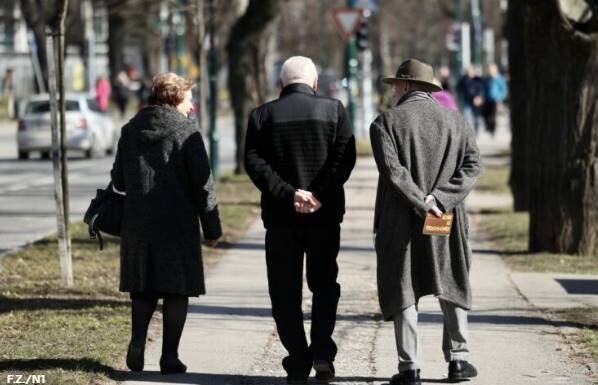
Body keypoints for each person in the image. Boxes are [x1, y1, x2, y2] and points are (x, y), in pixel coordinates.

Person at [245, 56, 356, 384]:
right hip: (324, 216)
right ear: (315, 83)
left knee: (284, 289)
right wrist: (318, 193)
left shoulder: (262, 116)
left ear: (281, 84)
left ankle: (297, 357)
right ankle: (322, 350)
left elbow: (254, 162)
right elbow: (344, 159)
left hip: (280, 217)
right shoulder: (334, 110)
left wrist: (288, 193)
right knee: (324, 285)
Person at [370, 58, 481, 385]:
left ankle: (410, 367)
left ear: (405, 86)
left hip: (399, 220)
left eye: (394, 85)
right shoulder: (456, 121)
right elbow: (472, 167)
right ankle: (459, 360)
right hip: (445, 217)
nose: (392, 91)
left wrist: (421, 202)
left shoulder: (385, 123)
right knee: (450, 279)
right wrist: (440, 200)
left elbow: (394, 173)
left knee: (404, 286)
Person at [110, 72, 222, 374]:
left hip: (138, 223)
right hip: (177, 225)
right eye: (189, 98)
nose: (192, 105)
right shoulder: (187, 132)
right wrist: (212, 227)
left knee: (143, 288)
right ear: (175, 98)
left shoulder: (130, 130)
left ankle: (137, 341)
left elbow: (118, 179)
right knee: (176, 291)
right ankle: (169, 356)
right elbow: (203, 184)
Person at [457, 64, 484, 134]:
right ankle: (467, 132)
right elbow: (458, 88)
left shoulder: (478, 79)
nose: (468, 71)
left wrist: (479, 97)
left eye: (470, 70)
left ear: (474, 70)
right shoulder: (464, 79)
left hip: (476, 101)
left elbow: (481, 90)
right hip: (467, 101)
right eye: (467, 70)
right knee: (466, 116)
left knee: (476, 117)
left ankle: (477, 132)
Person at [482, 63, 507, 136]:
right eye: (489, 70)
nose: (490, 71)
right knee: (485, 113)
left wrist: (500, 98)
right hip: (487, 99)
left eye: (492, 69)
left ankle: (492, 129)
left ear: (496, 70)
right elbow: (483, 89)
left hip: (495, 100)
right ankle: (488, 127)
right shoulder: (486, 79)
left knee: (492, 115)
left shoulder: (500, 79)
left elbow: (504, 90)